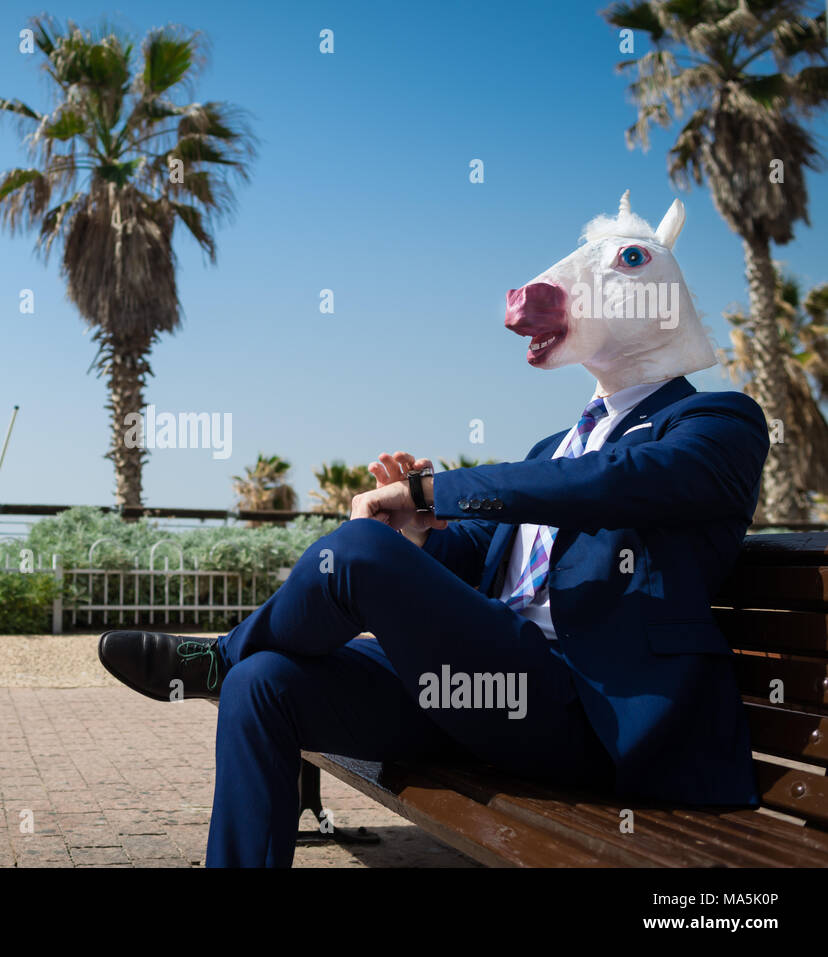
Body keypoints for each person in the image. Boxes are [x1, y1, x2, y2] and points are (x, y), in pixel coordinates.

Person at [97, 193, 770, 866]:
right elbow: (484, 558)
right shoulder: (551, 447)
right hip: (478, 690)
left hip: (584, 711)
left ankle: (219, 654)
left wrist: (429, 488)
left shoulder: (718, 424)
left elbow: (610, 483)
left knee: (358, 549)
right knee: (265, 683)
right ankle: (236, 665)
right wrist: (421, 533)